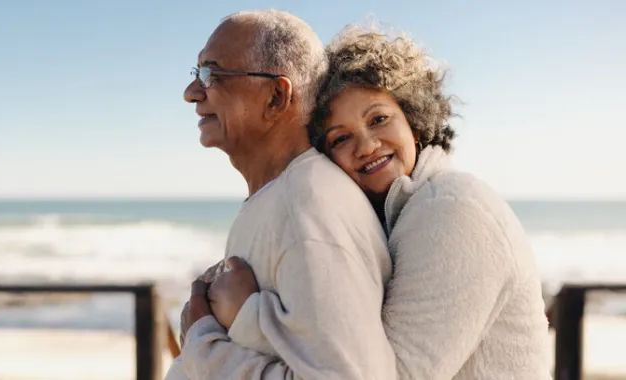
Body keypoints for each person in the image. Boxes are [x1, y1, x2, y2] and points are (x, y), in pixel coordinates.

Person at [212, 24, 554, 379]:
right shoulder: (397, 216)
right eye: (340, 138)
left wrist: (247, 317)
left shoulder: (453, 210)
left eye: (378, 119)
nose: (366, 145)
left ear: (415, 121)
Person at [164, 10, 397, 380]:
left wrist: (202, 343)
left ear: (275, 97)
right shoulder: (285, 196)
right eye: (196, 75)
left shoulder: (308, 205)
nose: (192, 93)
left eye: (211, 74)